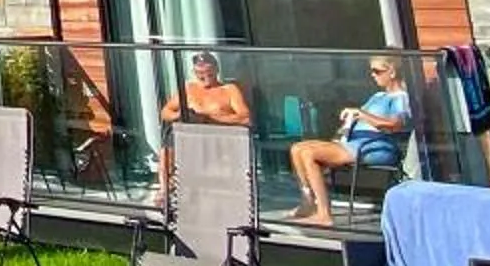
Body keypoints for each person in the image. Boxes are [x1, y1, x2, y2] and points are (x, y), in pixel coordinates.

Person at [285, 55, 411, 227]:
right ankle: (308, 200)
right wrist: (349, 123)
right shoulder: (378, 96)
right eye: (371, 71)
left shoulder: (400, 98)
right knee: (297, 148)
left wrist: (361, 114)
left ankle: (324, 213)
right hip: (356, 142)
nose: (373, 75)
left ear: (392, 72)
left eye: (377, 71)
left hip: (375, 146)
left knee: (308, 153)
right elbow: (360, 118)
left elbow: (396, 125)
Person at [154, 51, 255, 204]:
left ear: (216, 70)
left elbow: (245, 118)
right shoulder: (189, 89)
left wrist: (210, 116)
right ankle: (165, 189)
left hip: (217, 136)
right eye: (200, 73)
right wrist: (181, 113)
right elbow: (165, 112)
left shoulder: (229, 90)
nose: (205, 76)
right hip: (190, 135)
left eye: (209, 72)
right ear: (194, 72)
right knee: (168, 145)